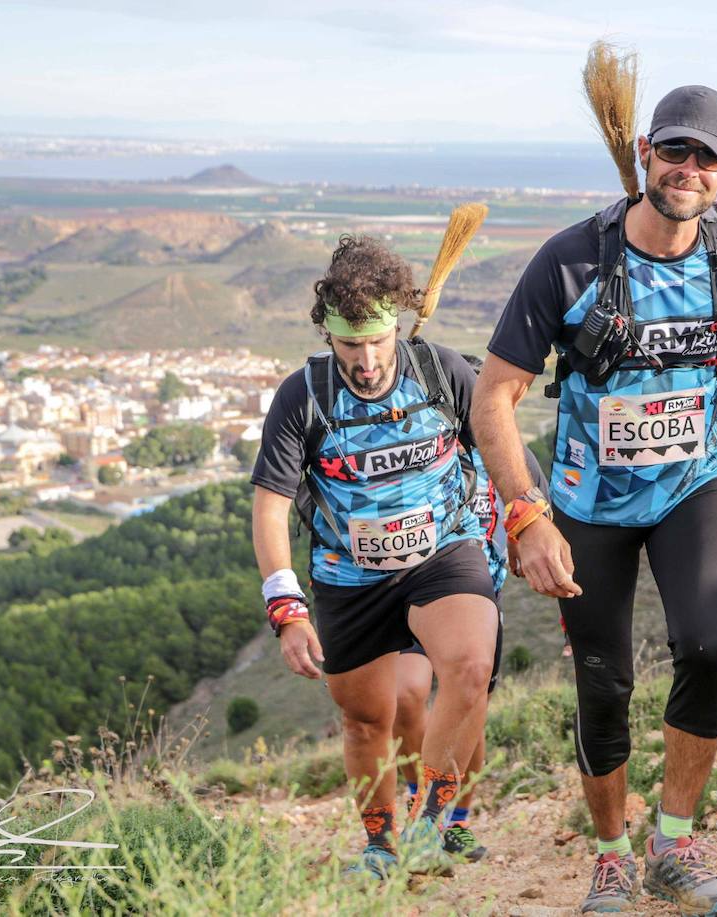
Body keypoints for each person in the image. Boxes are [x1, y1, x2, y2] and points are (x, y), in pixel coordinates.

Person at [472, 85, 717, 914]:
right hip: (586, 501)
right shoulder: (571, 259)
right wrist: (527, 515)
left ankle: (675, 842)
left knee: (709, 644)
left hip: (695, 484)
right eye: (676, 151)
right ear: (646, 149)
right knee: (603, 679)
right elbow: (494, 396)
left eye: (707, 158)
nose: (689, 169)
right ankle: (612, 856)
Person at [250, 235, 499, 880]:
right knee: (369, 719)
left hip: (444, 551)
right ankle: (381, 847)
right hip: (351, 576)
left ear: (397, 325)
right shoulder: (302, 396)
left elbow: (501, 450)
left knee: (470, 670)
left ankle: (438, 823)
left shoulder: (442, 370)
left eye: (377, 342)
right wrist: (286, 607)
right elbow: (271, 506)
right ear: (327, 335)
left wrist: (530, 524)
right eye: (349, 345)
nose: (365, 361)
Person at [391, 353, 548, 862]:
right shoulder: (426, 449)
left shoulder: (514, 458)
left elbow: (538, 522)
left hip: (482, 597)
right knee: (406, 695)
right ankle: (421, 804)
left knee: (470, 710)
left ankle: (455, 820)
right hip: (416, 590)